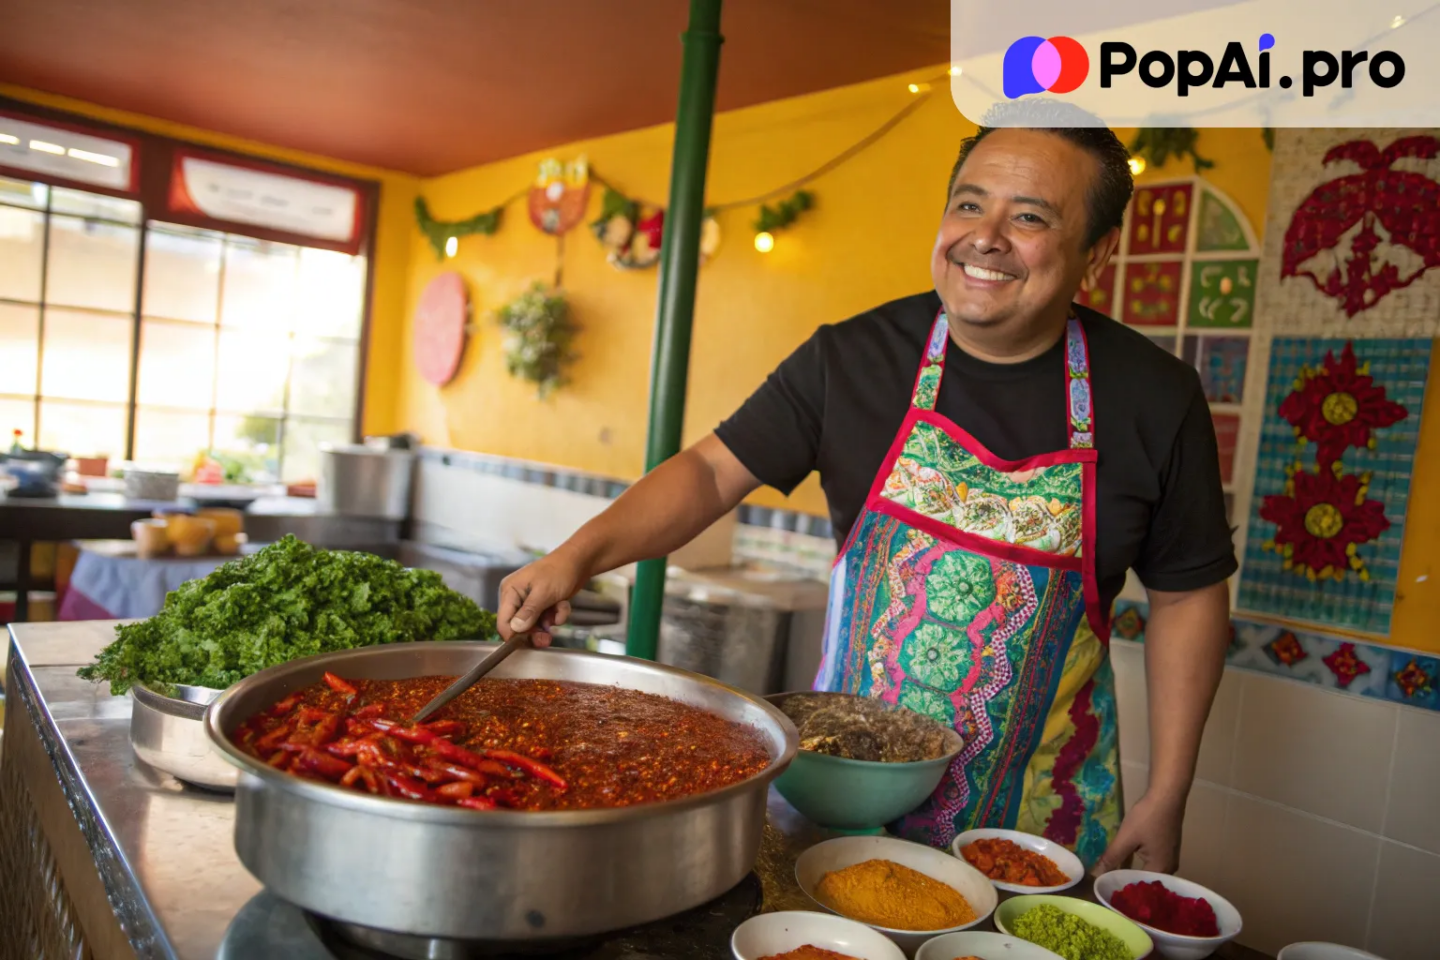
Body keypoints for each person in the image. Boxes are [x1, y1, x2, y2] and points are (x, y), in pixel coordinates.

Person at [497, 100, 1235, 875]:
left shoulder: (1154, 398)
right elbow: (713, 470)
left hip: (1036, 839)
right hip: (842, 812)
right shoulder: (851, 360)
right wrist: (575, 559)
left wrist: (1170, 790)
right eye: (969, 203)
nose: (985, 236)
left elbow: (1188, 595)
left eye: (1029, 217)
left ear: (1096, 253)